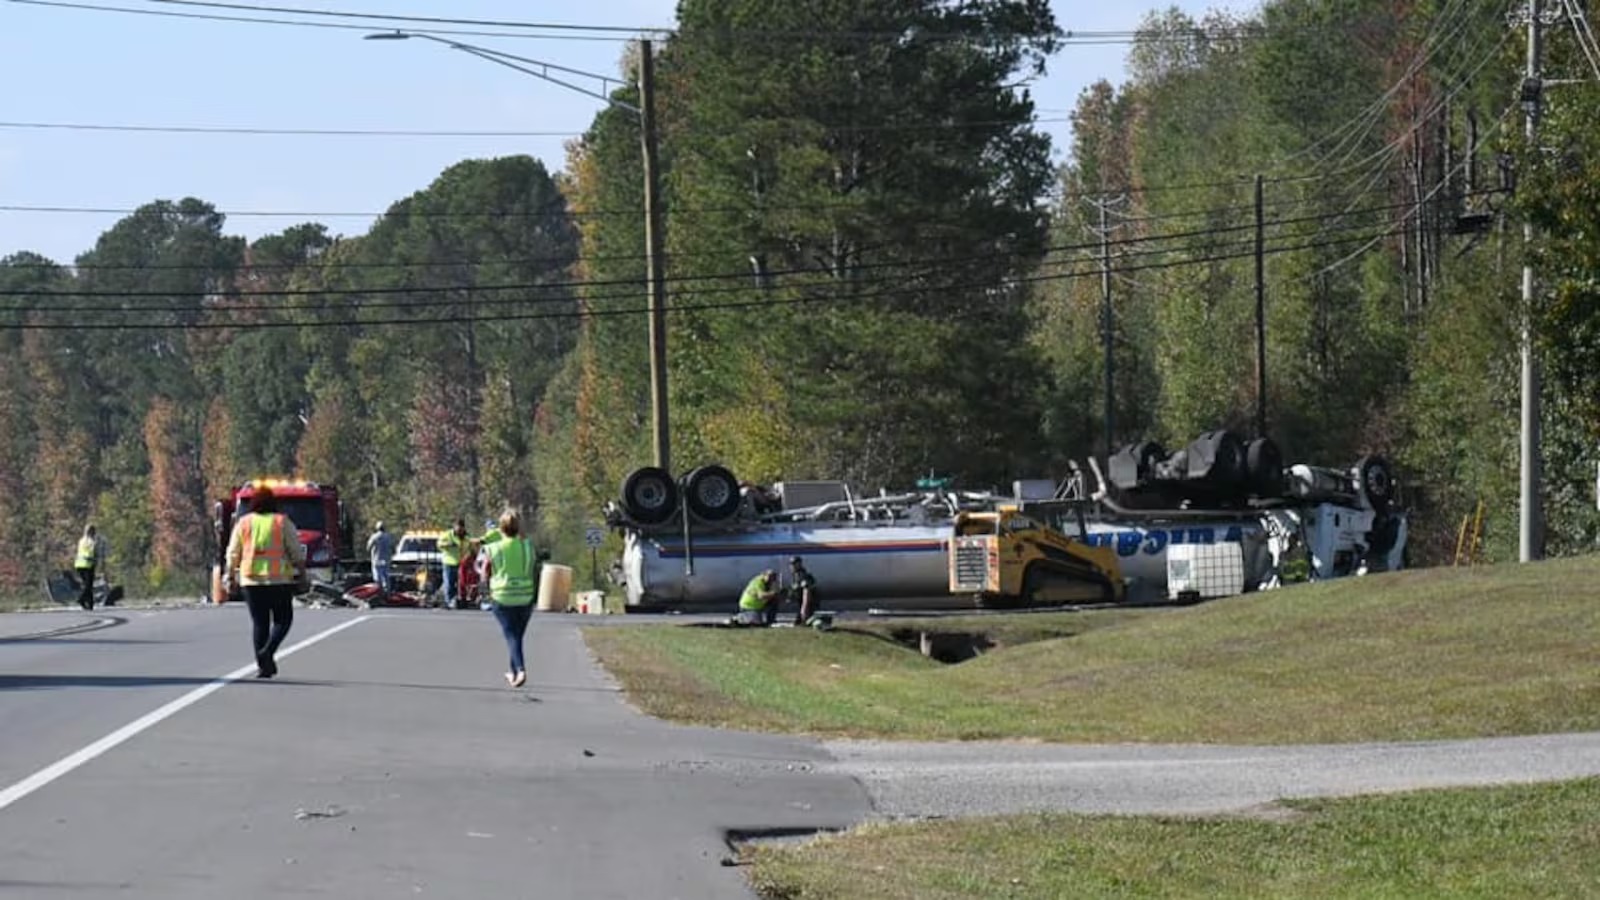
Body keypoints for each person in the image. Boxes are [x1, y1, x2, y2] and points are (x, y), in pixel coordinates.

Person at [224, 486, 307, 679]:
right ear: (273, 503)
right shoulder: (281, 522)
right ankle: (268, 652)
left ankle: (264, 666)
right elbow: (295, 550)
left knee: (260, 624)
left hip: (251, 581)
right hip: (278, 580)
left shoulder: (243, 523)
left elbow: (233, 552)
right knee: (283, 620)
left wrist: (229, 576)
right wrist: (302, 574)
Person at [483, 509, 539, 687]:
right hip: (525, 596)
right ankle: (513, 672)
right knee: (516, 636)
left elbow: (485, 572)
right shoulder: (527, 546)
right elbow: (534, 568)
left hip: (502, 596)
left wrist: (484, 587)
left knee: (511, 635)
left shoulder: (493, 548)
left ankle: (521, 669)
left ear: (501, 528)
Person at [72, 524, 107, 611]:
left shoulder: (81, 541)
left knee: (88, 585)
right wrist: (98, 562)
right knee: (88, 585)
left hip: (79, 564)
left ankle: (90, 604)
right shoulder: (92, 542)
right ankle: (81, 599)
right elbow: (95, 553)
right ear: (92, 532)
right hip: (88, 565)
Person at [437, 518, 469, 610]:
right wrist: (449, 544)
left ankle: (461, 600)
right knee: (449, 583)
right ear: (454, 527)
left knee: (462, 583)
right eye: (458, 528)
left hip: (461, 563)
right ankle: (449, 601)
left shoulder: (466, 536)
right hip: (449, 563)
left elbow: (470, 545)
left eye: (461, 528)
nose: (459, 530)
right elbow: (439, 544)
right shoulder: (447, 535)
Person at [788, 556, 819, 626]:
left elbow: (806, 592)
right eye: (790, 564)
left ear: (799, 564)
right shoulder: (795, 575)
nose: (791, 566)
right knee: (798, 623)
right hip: (800, 602)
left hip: (809, 603)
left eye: (793, 564)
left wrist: (804, 608)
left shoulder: (803, 576)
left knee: (806, 621)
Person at [366, 521, 395, 595]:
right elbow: (393, 548)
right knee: (386, 576)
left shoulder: (374, 537)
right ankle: (387, 592)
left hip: (377, 559)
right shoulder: (389, 537)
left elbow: (368, 547)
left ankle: (379, 591)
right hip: (386, 560)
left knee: (377, 576)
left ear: (377, 528)